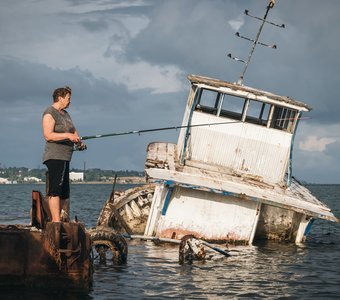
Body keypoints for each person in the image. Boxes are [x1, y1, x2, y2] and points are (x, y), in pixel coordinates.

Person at [42, 86, 84, 222]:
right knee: (55, 191)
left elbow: (73, 132)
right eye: (68, 98)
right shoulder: (50, 113)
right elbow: (48, 135)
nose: (70, 101)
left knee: (65, 192)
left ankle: (63, 219)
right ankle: (56, 222)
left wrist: (79, 142)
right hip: (55, 157)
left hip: (66, 157)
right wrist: (68, 135)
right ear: (60, 98)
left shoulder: (66, 114)